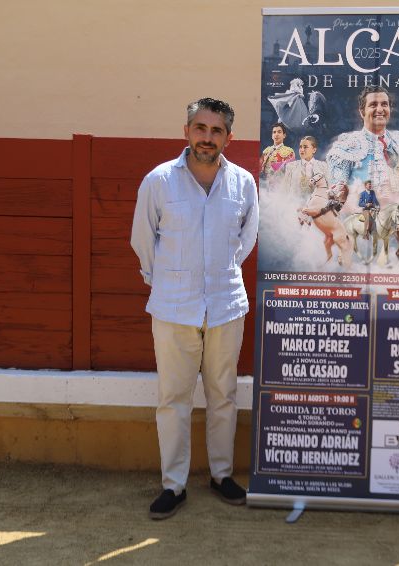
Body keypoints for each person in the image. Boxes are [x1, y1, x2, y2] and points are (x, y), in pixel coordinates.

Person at [131, 97, 259, 520]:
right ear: (187, 131)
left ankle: (222, 475)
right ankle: (174, 484)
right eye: (200, 128)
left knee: (224, 394)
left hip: (225, 304)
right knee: (173, 398)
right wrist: (168, 282)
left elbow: (246, 238)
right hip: (172, 308)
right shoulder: (159, 181)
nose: (207, 137)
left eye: (216, 130)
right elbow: (143, 241)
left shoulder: (243, 182)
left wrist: (218, 275)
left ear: (229, 137)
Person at [326, 85, 399, 209]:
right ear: (362, 111)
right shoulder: (346, 146)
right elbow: (337, 197)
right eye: (373, 105)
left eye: (384, 104)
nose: (380, 109)